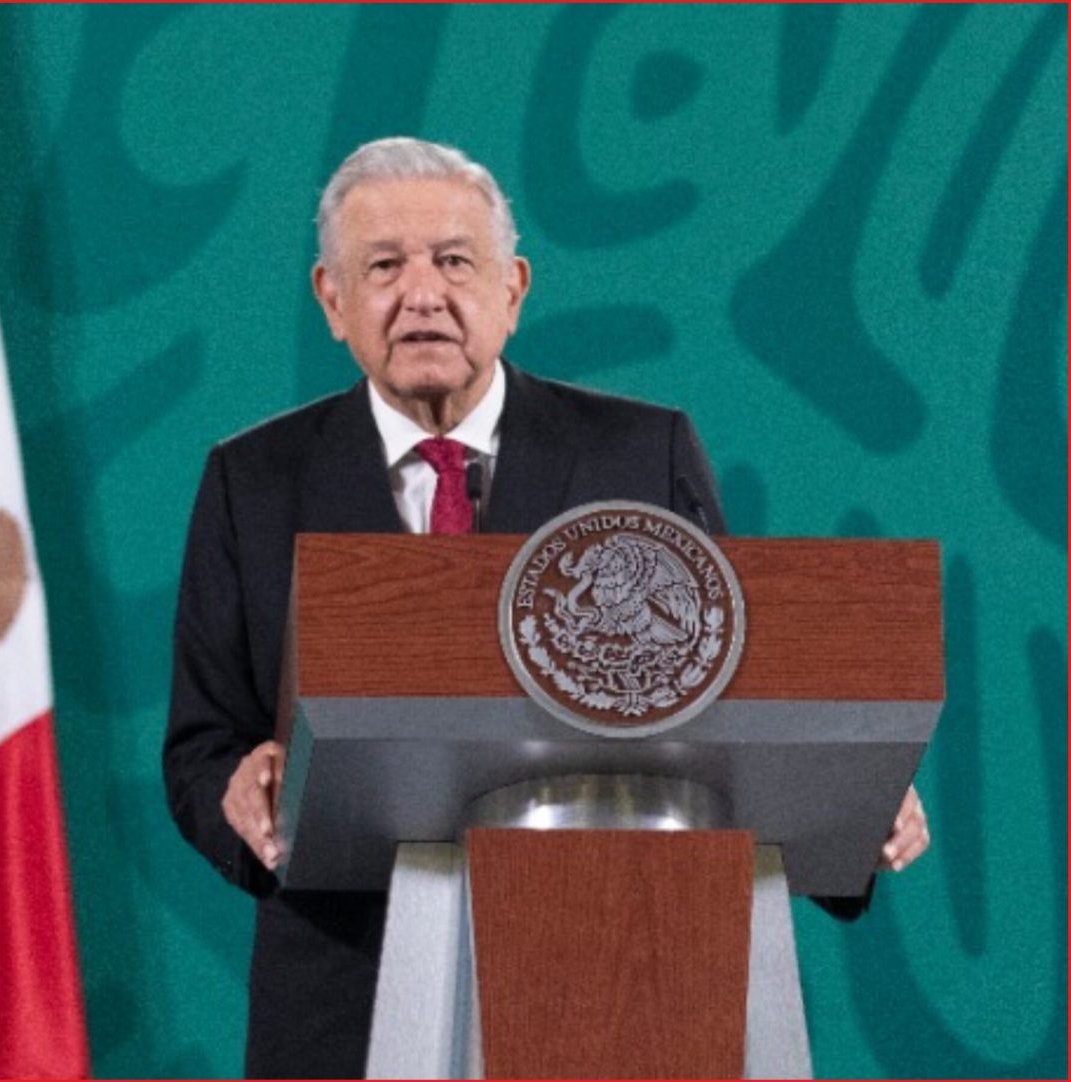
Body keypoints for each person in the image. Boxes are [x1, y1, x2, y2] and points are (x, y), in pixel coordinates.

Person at [162, 137, 930, 1079]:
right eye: (384, 267)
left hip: (626, 969)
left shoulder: (642, 453)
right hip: (346, 998)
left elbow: (731, 689)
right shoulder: (252, 481)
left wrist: (850, 798)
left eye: (454, 261)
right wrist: (241, 795)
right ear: (331, 299)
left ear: (513, 288)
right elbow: (200, 747)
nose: (422, 295)